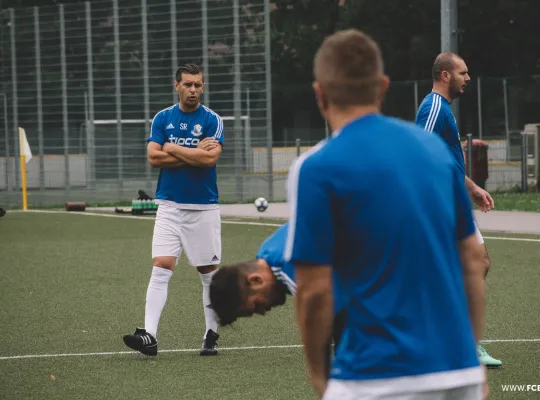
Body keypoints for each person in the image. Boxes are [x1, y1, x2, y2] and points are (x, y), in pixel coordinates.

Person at [285, 29, 488, 400]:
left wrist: (319, 377)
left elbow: (314, 291)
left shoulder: (314, 168)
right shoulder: (437, 152)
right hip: (456, 373)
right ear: (382, 86)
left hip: (374, 377)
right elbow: (472, 260)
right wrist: (467, 359)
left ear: (319, 92)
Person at [122, 63, 224, 356]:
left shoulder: (213, 120)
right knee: (161, 267)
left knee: (208, 273)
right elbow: (153, 158)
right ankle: (149, 337)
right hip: (168, 205)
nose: (194, 90)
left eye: (198, 85)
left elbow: (209, 160)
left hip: (203, 207)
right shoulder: (163, 117)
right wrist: (192, 153)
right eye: (188, 84)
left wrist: (172, 148)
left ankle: (211, 334)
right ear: (176, 85)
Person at [415, 51, 502, 368]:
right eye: (463, 73)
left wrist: (473, 187)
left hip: (452, 200)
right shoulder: (435, 107)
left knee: (478, 264)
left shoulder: (443, 109)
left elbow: (444, 160)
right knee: (471, 265)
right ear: (445, 75)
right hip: (441, 204)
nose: (468, 78)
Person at [208, 222, 348, 351]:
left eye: (256, 306)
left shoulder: (291, 268)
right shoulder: (266, 251)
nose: (263, 312)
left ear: (256, 280)